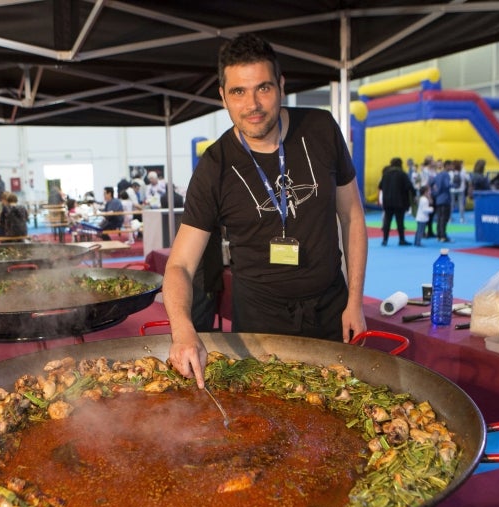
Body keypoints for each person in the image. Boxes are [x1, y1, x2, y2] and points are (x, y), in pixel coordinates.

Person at [163, 33, 368, 388]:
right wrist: (183, 331)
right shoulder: (214, 167)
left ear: (281, 86)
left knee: (337, 413)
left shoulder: (321, 130)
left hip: (331, 311)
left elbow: (351, 216)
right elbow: (179, 264)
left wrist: (355, 301)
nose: (252, 104)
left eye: (263, 88)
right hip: (259, 324)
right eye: (238, 92)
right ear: (223, 96)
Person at [377, 157, 414, 246]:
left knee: (387, 221)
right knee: (400, 222)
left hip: (387, 202)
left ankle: (385, 240)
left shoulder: (385, 174)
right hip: (399, 202)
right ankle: (401, 239)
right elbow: (409, 186)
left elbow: (380, 186)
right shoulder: (402, 174)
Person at [430, 160, 453, 243]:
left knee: (439, 218)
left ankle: (439, 235)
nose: (452, 167)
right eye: (451, 165)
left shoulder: (437, 175)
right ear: (447, 166)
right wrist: (453, 185)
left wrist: (434, 193)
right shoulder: (446, 175)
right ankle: (443, 236)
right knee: (444, 218)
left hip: (438, 199)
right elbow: (447, 185)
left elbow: (430, 183)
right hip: (445, 199)